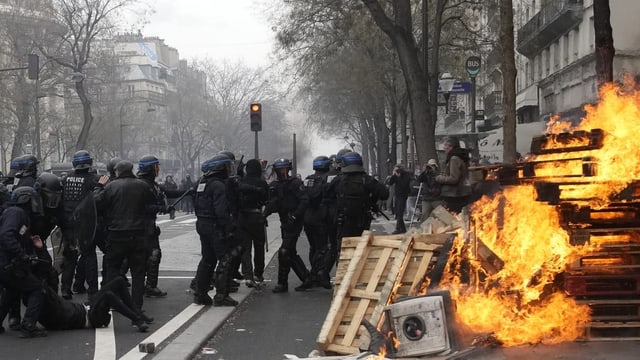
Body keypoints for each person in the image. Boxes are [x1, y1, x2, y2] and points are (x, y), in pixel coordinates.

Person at [93, 160, 156, 320]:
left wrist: (99, 187)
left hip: (116, 234)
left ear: (117, 172)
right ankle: (137, 308)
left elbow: (97, 204)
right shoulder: (142, 185)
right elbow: (152, 202)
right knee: (138, 273)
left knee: (112, 271)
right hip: (138, 234)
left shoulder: (111, 187)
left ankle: (109, 303)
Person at [192, 154, 238, 306]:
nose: (229, 169)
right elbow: (221, 210)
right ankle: (221, 295)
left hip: (202, 223)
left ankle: (200, 293)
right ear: (219, 168)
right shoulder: (219, 185)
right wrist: (228, 228)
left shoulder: (202, 183)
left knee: (207, 259)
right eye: (227, 166)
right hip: (215, 226)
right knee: (225, 258)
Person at [0, 187, 47, 338]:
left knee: (12, 291)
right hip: (9, 263)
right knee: (36, 289)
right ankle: (28, 324)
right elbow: (6, 235)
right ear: (26, 199)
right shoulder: (16, 213)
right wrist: (21, 254)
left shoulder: (18, 214)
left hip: (7, 263)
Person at [136, 155, 183, 298]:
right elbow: (143, 207)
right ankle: (145, 286)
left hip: (149, 226)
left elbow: (168, 193)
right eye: (156, 167)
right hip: (141, 226)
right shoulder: (141, 185)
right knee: (149, 256)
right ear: (150, 169)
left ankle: (149, 286)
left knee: (152, 256)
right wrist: (162, 208)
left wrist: (189, 191)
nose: (157, 170)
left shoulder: (153, 184)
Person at [263, 158, 310, 293]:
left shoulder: (295, 183)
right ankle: (306, 277)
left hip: (294, 221)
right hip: (284, 221)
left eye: (284, 169)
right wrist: (264, 215)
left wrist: (295, 216)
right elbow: (272, 203)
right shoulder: (275, 185)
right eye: (280, 170)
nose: (282, 172)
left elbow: (304, 201)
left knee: (284, 251)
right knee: (290, 252)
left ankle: (282, 283)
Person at [60, 150, 101, 301]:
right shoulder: (95, 179)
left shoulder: (65, 179)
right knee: (89, 255)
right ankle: (92, 291)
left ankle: (65, 289)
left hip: (68, 222)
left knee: (69, 256)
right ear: (89, 162)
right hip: (86, 222)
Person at [39, 276, 149, 332]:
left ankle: (137, 313)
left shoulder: (47, 298)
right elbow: (48, 293)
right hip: (91, 318)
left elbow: (49, 278)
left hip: (86, 306)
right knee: (108, 295)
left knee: (119, 280)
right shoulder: (50, 313)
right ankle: (137, 319)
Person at [331, 151, 389, 249]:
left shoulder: (337, 180)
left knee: (343, 249)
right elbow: (384, 194)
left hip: (343, 220)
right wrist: (372, 199)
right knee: (361, 247)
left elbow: (327, 196)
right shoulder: (366, 179)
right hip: (362, 220)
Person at [297, 155, 333, 290]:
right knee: (323, 248)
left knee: (313, 247)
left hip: (308, 217)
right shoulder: (328, 179)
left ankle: (315, 273)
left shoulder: (307, 180)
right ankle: (318, 275)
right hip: (322, 217)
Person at [236, 159, 268, 287]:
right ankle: (258, 274)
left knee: (246, 248)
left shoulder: (241, 182)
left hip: (243, 217)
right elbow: (267, 199)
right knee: (259, 247)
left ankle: (248, 275)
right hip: (256, 216)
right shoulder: (262, 183)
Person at [435, 136, 472, 214]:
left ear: (452, 146)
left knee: (453, 220)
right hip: (462, 192)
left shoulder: (454, 159)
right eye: (445, 145)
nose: (445, 148)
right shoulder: (461, 157)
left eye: (447, 145)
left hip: (454, 194)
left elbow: (454, 178)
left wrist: (439, 178)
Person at [388, 164, 412, 234]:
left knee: (400, 212)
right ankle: (403, 228)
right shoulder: (396, 176)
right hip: (397, 195)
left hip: (403, 195)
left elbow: (404, 185)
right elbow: (390, 182)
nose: (397, 171)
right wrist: (393, 175)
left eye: (397, 170)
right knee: (398, 212)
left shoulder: (406, 175)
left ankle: (398, 228)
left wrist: (399, 177)